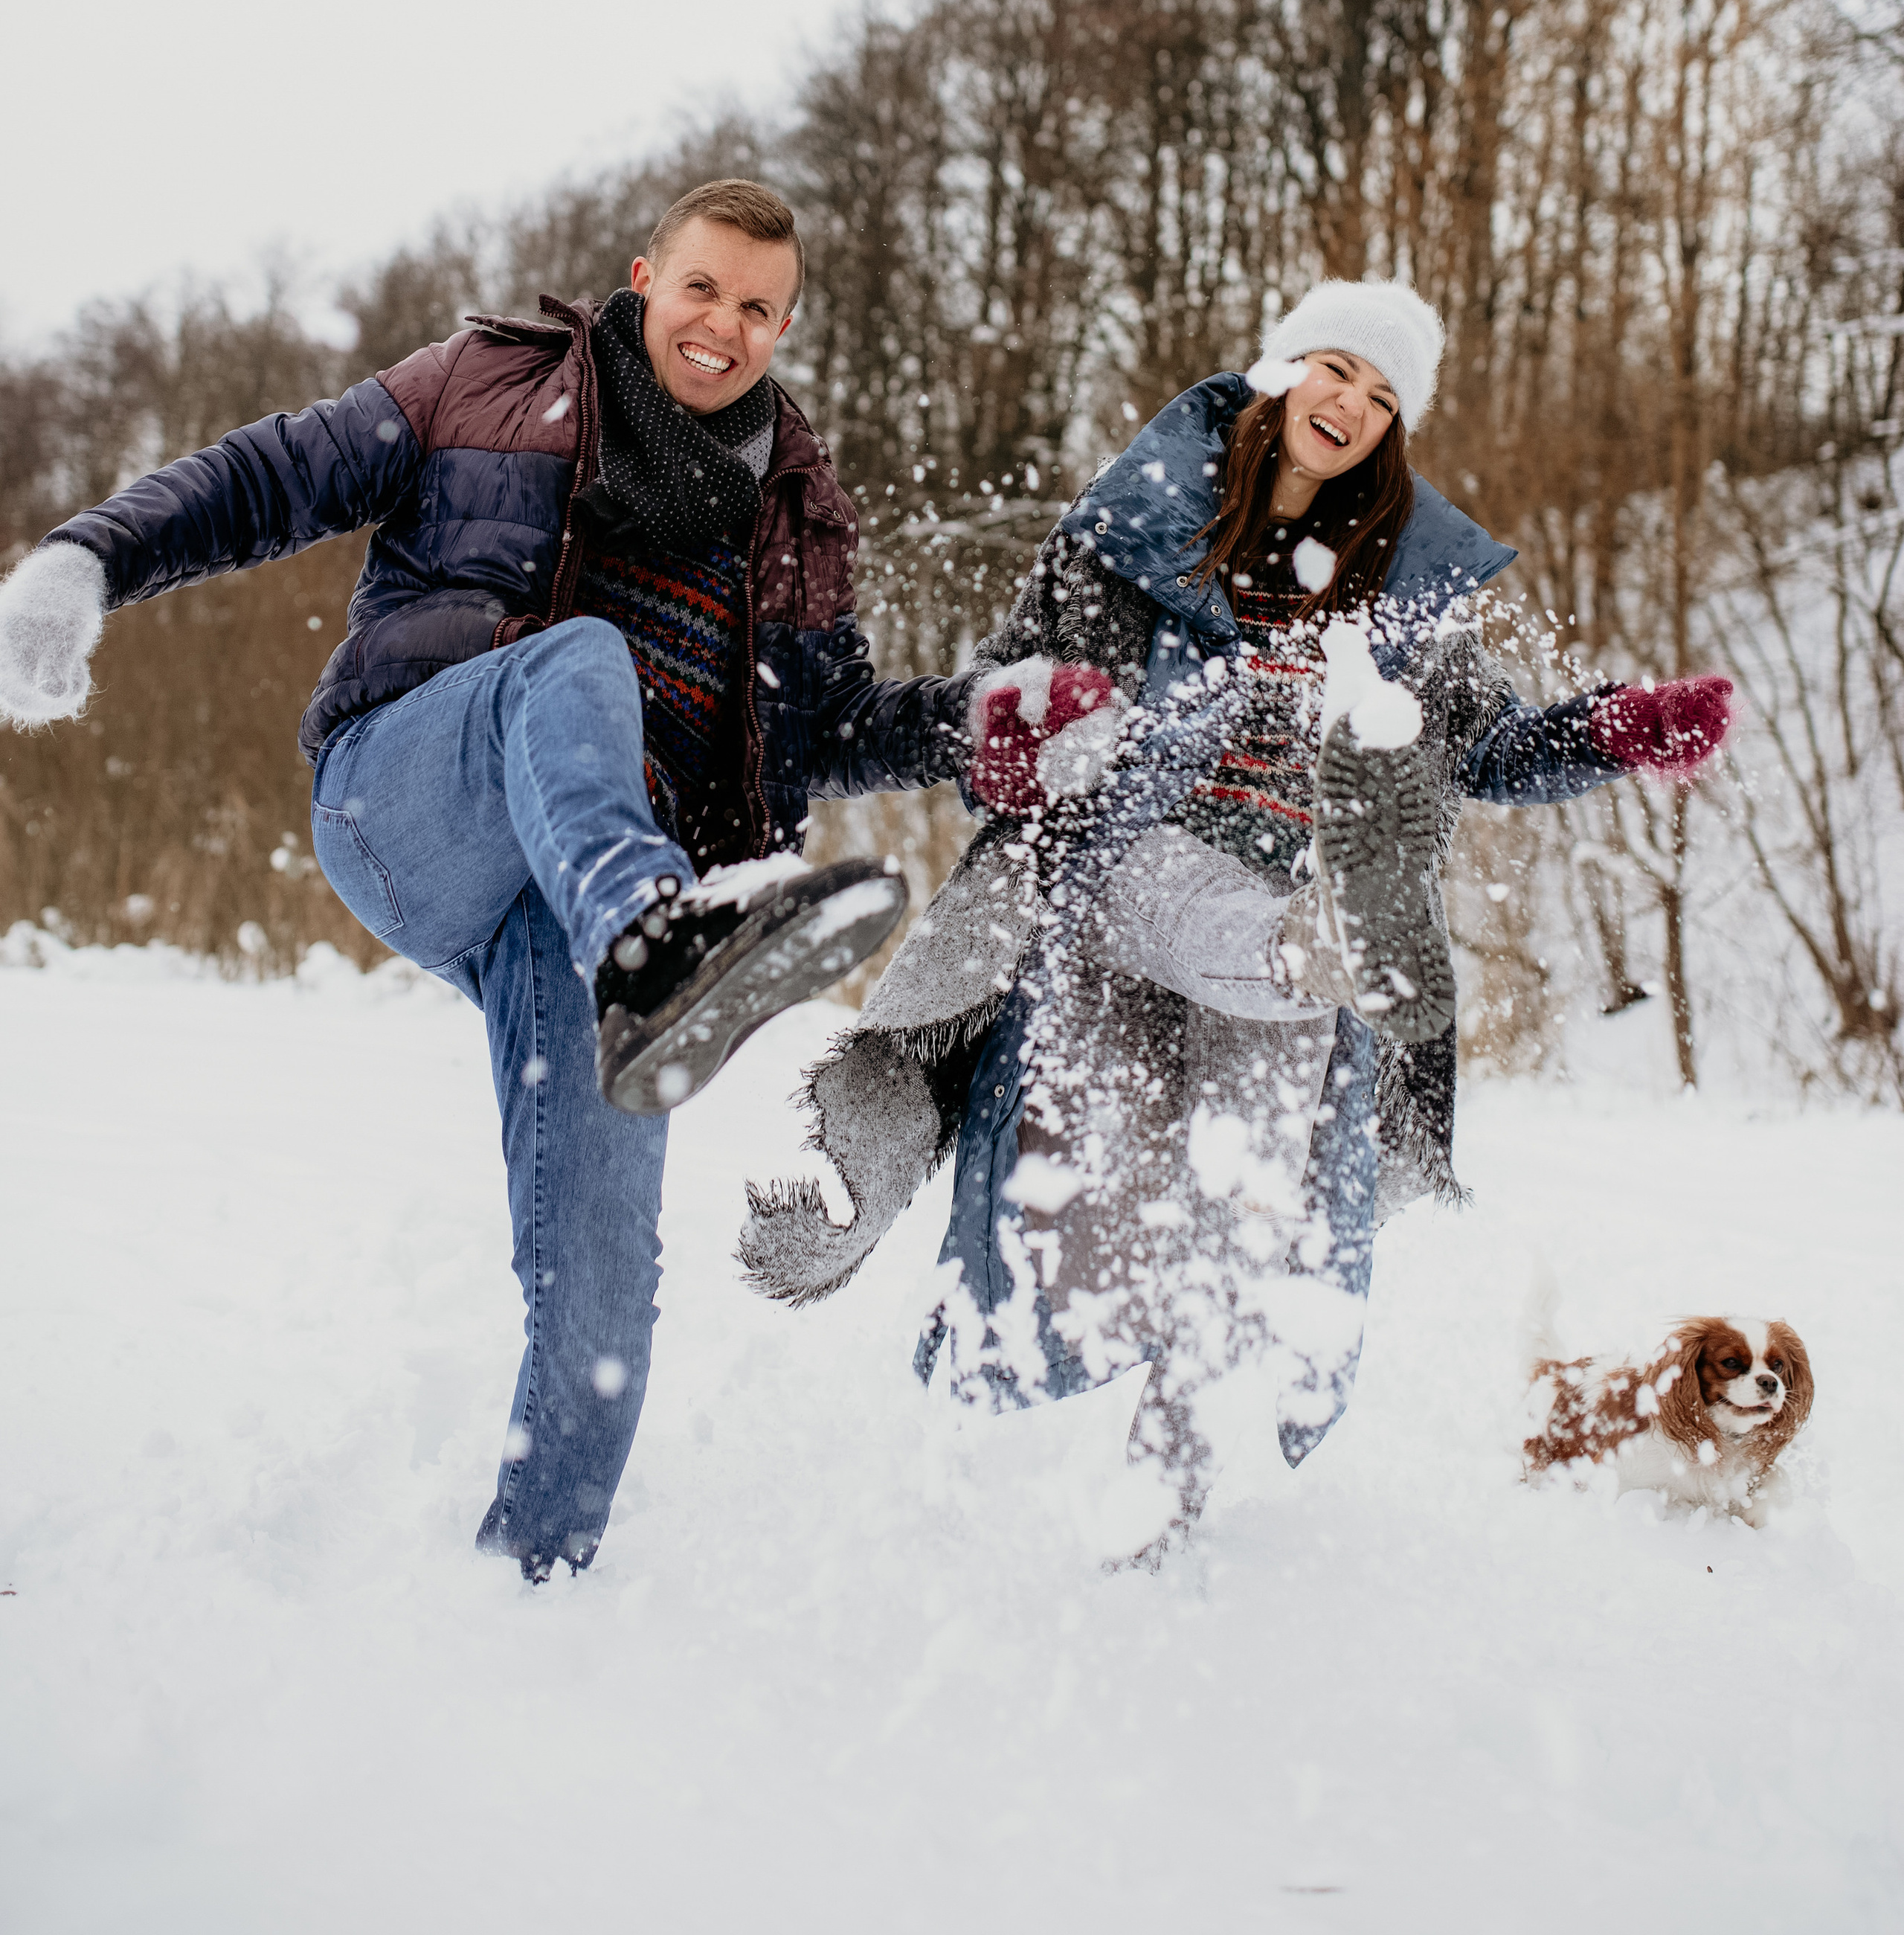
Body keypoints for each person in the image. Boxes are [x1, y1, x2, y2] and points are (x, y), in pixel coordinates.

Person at [0, 178, 980, 1579]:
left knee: (601, 1303)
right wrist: (86, 557)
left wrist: (979, 725)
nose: (725, 326)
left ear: (786, 325)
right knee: (580, 663)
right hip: (413, 790)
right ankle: (652, 935)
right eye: (703, 289)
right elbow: (271, 474)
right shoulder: (484, 384)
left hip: (585, 918)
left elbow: (824, 729)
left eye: (761, 308)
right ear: (647, 279)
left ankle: (525, 1595)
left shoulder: (795, 509)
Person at [740, 277, 1734, 1544]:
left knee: (1242, 1216)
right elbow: (1012, 683)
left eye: (1382, 399)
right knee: (1073, 1220)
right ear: (1282, 372)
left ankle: (1166, 1510)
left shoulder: (1391, 586)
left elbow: (1484, 749)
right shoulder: (1136, 525)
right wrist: (1013, 731)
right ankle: (1307, 946)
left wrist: (1612, 729)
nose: (1353, 407)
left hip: (1288, 910)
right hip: (1124, 876)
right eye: (1339, 371)